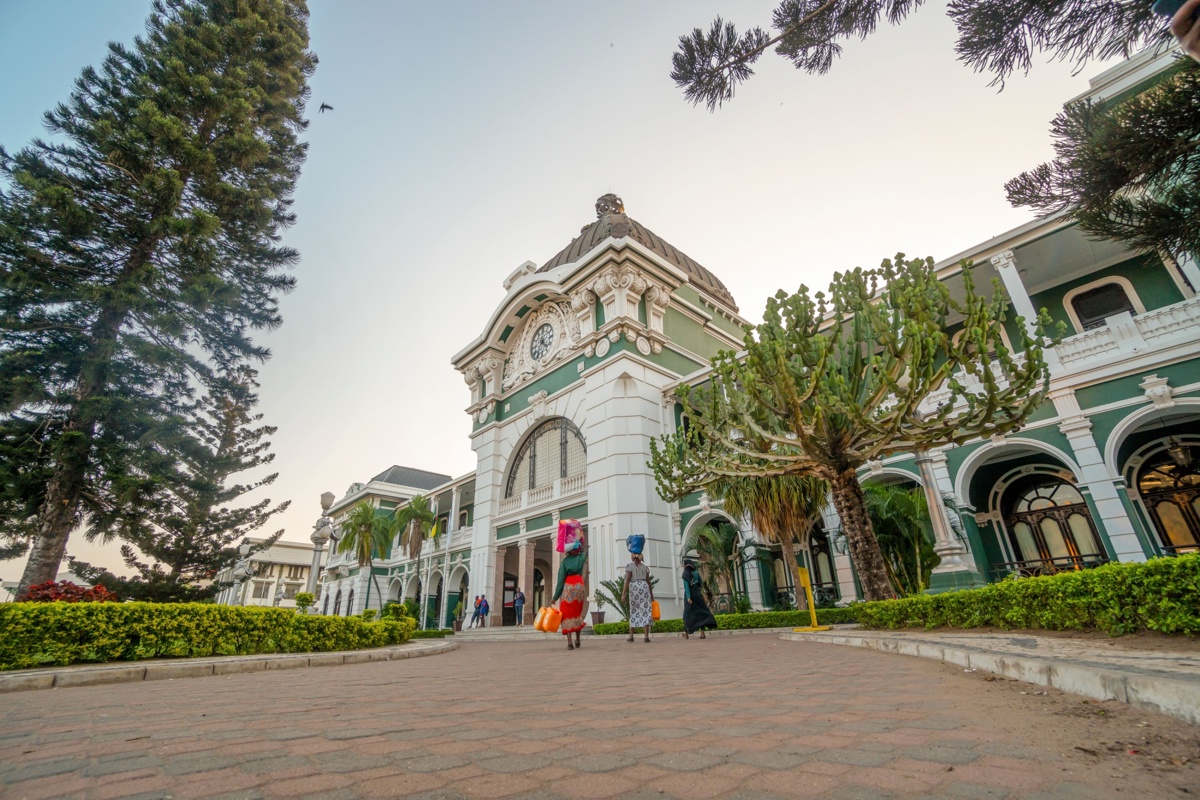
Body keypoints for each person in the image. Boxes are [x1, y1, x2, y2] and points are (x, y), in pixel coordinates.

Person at [552, 519, 587, 650]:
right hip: (579, 586)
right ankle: (578, 639)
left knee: (567, 614)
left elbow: (560, 581)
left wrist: (555, 597)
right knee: (577, 613)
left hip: (569, 587)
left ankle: (569, 642)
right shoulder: (581, 558)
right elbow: (583, 551)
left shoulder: (565, 562)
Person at [621, 534, 654, 643]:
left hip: (634, 589)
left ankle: (631, 636)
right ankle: (646, 636)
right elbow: (649, 582)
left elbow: (627, 580)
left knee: (634, 611)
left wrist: (623, 594)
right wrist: (652, 596)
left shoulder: (629, 566)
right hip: (644, 588)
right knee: (645, 611)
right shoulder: (645, 567)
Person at [681, 560, 717, 640]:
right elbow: (700, 584)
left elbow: (686, 587)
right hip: (697, 595)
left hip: (690, 596)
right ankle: (702, 633)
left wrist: (688, 597)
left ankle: (686, 633)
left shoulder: (685, 574)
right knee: (701, 613)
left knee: (687, 615)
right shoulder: (696, 573)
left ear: (686, 565)